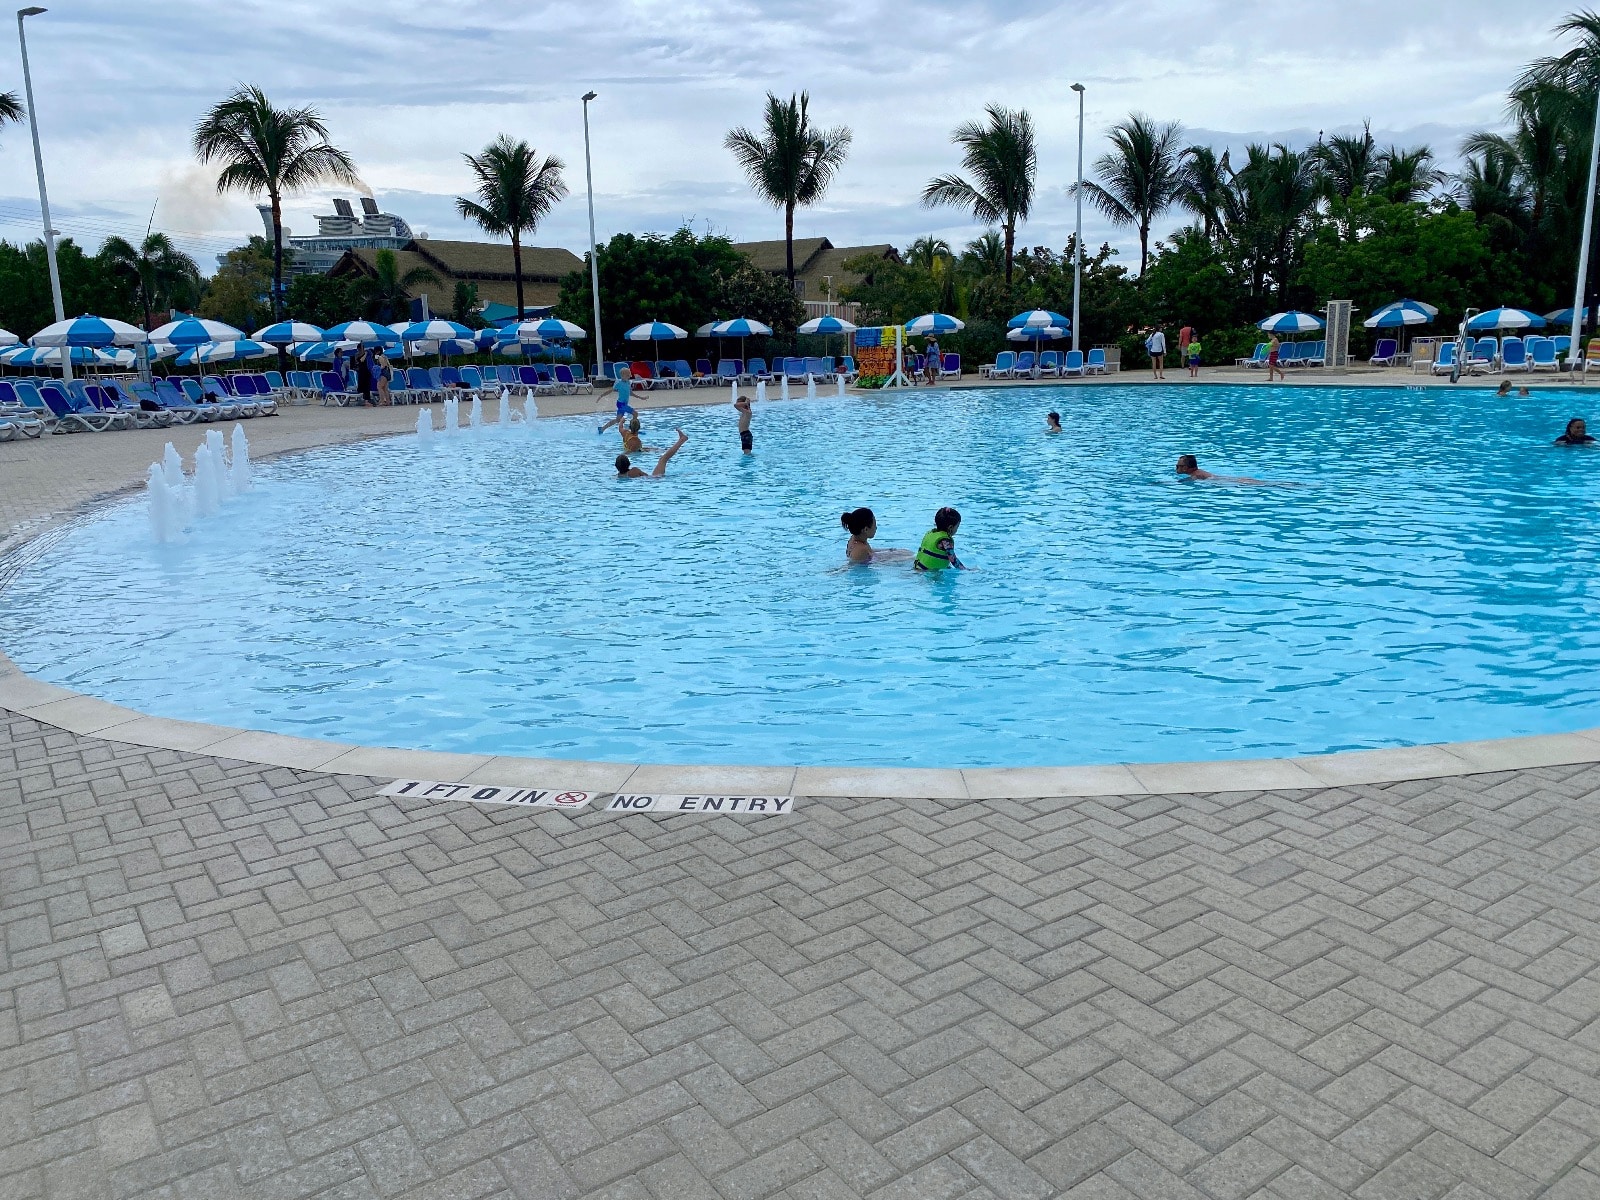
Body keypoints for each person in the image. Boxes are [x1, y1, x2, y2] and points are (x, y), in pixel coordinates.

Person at [616, 429, 688, 478]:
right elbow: (647, 476)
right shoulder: (634, 470)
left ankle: (681, 440)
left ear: (616, 466)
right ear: (628, 463)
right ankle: (682, 440)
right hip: (654, 479)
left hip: (652, 481)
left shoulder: (618, 476)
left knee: (663, 459)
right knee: (663, 459)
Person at [913, 507, 966, 572]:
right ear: (950, 527)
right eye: (957, 526)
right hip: (930, 573)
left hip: (918, 567)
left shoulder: (931, 533)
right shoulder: (945, 541)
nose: (957, 529)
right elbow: (953, 560)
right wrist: (966, 570)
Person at [1175, 454, 1272, 485]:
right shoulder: (1199, 472)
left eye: (1178, 466)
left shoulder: (1196, 474)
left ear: (1186, 468)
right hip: (1234, 480)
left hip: (1236, 481)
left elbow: (1188, 480)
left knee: (1270, 484)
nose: (1176, 468)